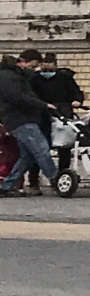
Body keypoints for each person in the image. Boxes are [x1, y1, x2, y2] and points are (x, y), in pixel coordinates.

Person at [0, 52, 57, 197]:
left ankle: (7, 186)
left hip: (21, 119)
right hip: (20, 119)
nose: (34, 69)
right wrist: (42, 104)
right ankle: (56, 179)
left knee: (27, 156)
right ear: (23, 62)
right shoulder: (8, 77)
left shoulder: (15, 76)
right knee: (41, 148)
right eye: (33, 66)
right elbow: (18, 97)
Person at [32, 54, 81, 128]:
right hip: (42, 109)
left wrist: (77, 100)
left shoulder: (64, 77)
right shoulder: (36, 78)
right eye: (45, 69)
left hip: (62, 109)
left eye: (50, 69)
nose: (47, 72)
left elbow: (74, 90)